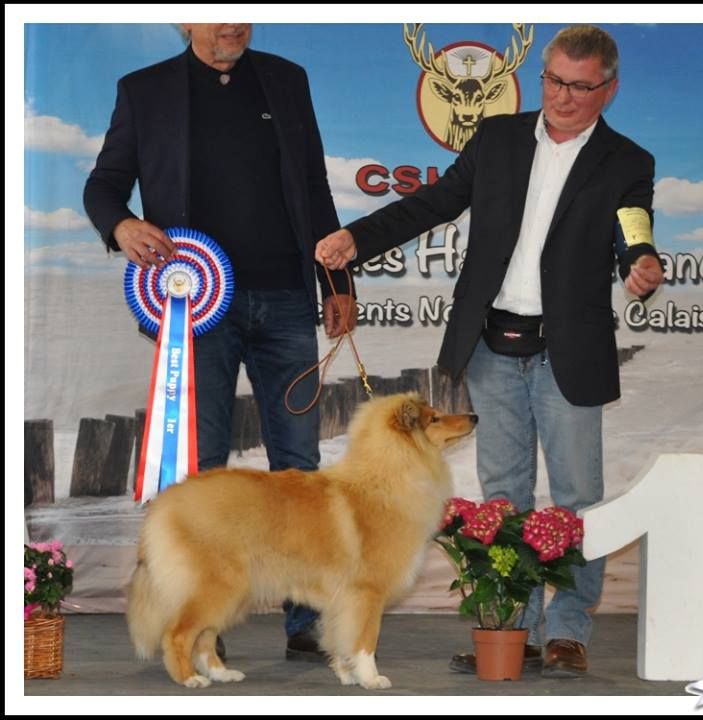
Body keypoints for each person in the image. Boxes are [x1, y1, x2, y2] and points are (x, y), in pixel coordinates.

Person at [315, 25, 663, 678]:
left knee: (577, 498)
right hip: (493, 348)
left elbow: (632, 227)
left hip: (569, 355)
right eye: (554, 81)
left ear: (608, 90)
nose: (563, 97)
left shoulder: (627, 162)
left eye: (580, 87)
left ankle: (567, 631)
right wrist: (356, 240)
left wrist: (641, 262)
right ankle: (513, 630)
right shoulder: (499, 139)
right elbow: (432, 204)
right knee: (503, 496)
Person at [84, 23, 356, 663]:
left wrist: (336, 281)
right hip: (197, 310)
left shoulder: (287, 80)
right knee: (200, 471)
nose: (231, 24)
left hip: (289, 299)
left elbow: (314, 187)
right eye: (215, 13)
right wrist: (121, 223)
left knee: (299, 466)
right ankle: (201, 624)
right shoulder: (143, 90)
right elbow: (103, 185)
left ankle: (307, 620)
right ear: (184, 21)